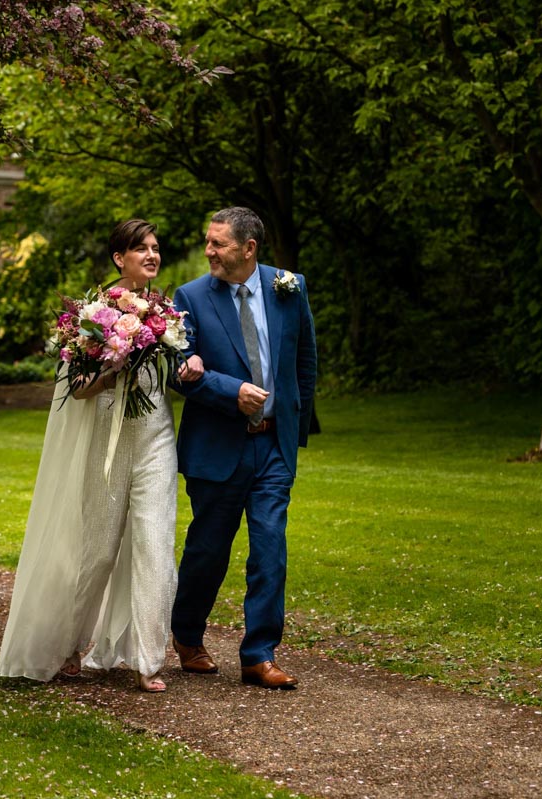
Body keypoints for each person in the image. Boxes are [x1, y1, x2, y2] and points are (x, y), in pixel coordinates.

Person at [0, 219, 203, 692]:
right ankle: (68, 645)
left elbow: (171, 371)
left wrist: (185, 365)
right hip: (107, 436)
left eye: (155, 248)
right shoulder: (91, 315)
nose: (151, 255)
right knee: (99, 550)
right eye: (140, 248)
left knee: (155, 541)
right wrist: (109, 371)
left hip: (155, 437)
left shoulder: (167, 313)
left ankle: (148, 658)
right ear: (118, 258)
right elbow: (77, 390)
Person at [169, 207, 317, 689]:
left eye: (219, 244)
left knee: (270, 548)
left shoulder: (288, 287)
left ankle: (258, 655)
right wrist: (230, 391)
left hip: (273, 446)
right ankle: (188, 636)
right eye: (208, 242)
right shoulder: (190, 296)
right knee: (208, 550)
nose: (209, 251)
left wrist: (293, 429)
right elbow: (181, 373)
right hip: (218, 447)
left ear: (248, 248)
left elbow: (305, 361)